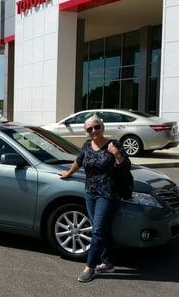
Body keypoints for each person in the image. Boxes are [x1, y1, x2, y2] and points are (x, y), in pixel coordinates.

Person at [57, 115, 131, 283]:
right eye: (89, 129)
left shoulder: (113, 144)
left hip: (109, 194)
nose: (93, 131)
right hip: (90, 192)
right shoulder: (86, 145)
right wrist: (68, 173)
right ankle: (107, 262)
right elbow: (79, 161)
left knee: (97, 230)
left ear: (102, 127)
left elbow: (126, 166)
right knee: (101, 229)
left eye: (96, 127)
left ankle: (90, 267)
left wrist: (116, 154)